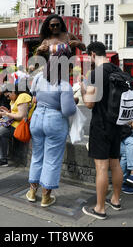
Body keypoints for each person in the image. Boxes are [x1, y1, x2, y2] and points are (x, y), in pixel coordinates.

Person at [26, 47, 77, 208]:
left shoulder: (39, 77)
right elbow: (68, 110)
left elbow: (34, 97)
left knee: (37, 155)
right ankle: (45, 197)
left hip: (37, 118)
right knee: (52, 160)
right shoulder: (64, 85)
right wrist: (73, 101)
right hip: (54, 121)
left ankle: (32, 192)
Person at [80, 42, 124, 220]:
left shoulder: (97, 72)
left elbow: (89, 103)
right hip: (117, 124)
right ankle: (115, 200)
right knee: (115, 164)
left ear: (92, 54)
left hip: (101, 124)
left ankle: (100, 208)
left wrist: (83, 88)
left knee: (101, 167)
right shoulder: (117, 70)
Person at [0, 82, 33, 168]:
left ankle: (3, 159)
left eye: (8, 96)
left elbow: (21, 116)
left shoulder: (23, 96)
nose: (8, 98)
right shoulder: (14, 99)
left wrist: (7, 114)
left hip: (21, 125)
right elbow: (8, 113)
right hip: (15, 123)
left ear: (13, 91)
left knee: (1, 132)